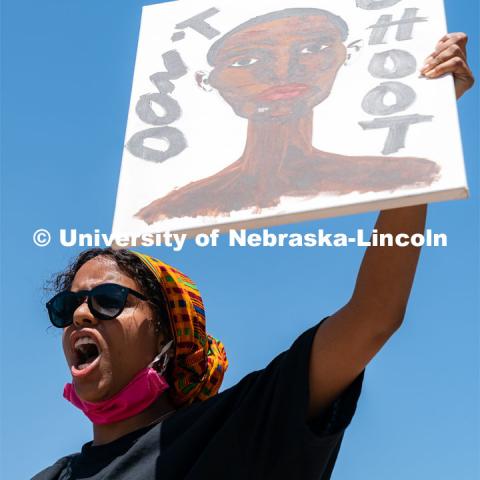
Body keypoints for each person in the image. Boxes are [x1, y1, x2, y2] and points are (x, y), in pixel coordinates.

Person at [33, 32, 473, 480]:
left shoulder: (240, 427)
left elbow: (373, 317)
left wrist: (427, 131)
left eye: (107, 299)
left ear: (168, 333)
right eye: (66, 307)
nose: (81, 316)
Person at [136, 8, 449, 224]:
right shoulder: (166, 210)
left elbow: (377, 311)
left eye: (314, 48)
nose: (284, 71)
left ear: (347, 55)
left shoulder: (407, 175)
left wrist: (441, 94)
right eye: (246, 59)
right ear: (206, 80)